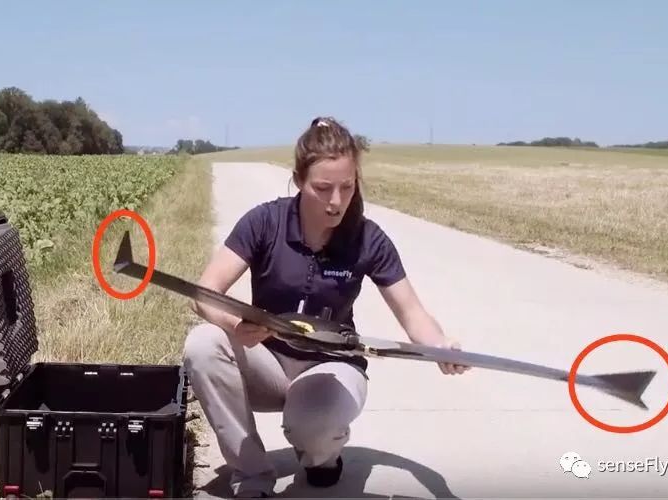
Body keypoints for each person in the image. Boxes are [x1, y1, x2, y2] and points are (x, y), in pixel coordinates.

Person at [183, 116, 470, 498]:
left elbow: (412, 314)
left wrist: (439, 346)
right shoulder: (264, 222)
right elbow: (204, 292)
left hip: (331, 368)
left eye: (347, 187)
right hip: (266, 362)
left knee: (313, 425)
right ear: (299, 180)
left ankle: (321, 453)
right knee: (203, 343)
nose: (336, 201)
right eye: (323, 188)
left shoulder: (368, 239)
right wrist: (235, 323)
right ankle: (251, 475)